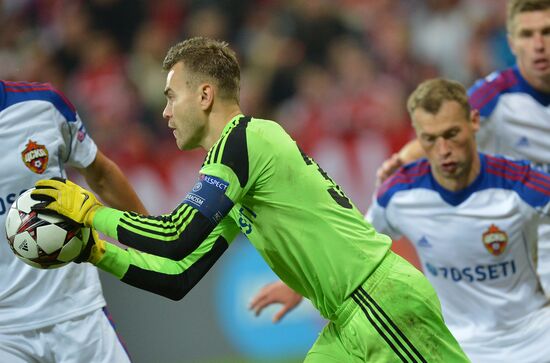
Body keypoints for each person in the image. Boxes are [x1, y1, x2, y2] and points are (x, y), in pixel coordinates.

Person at [30, 36, 470, 362]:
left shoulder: (242, 143)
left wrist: (90, 211)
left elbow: (173, 237)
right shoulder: (235, 167)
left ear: (204, 95)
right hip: (346, 319)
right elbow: (178, 275)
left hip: (379, 302)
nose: (164, 111)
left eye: (171, 96)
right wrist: (95, 251)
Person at [250, 78, 550, 363]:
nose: (443, 150)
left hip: (534, 342)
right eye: (430, 139)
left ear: (474, 123)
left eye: (452, 134)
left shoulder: (521, 184)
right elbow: (355, 249)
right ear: (417, 139)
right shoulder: (400, 194)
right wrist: (297, 286)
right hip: (455, 346)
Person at [376, 0, 550, 294]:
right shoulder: (495, 95)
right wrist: (401, 159)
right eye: (526, 35)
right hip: (536, 241)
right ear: (511, 42)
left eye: (546, 32)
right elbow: (445, 125)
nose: (538, 45)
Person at [0, 80, 147, 362]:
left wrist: (151, 236)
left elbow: (100, 174)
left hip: (76, 307)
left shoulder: (43, 105)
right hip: (4, 330)